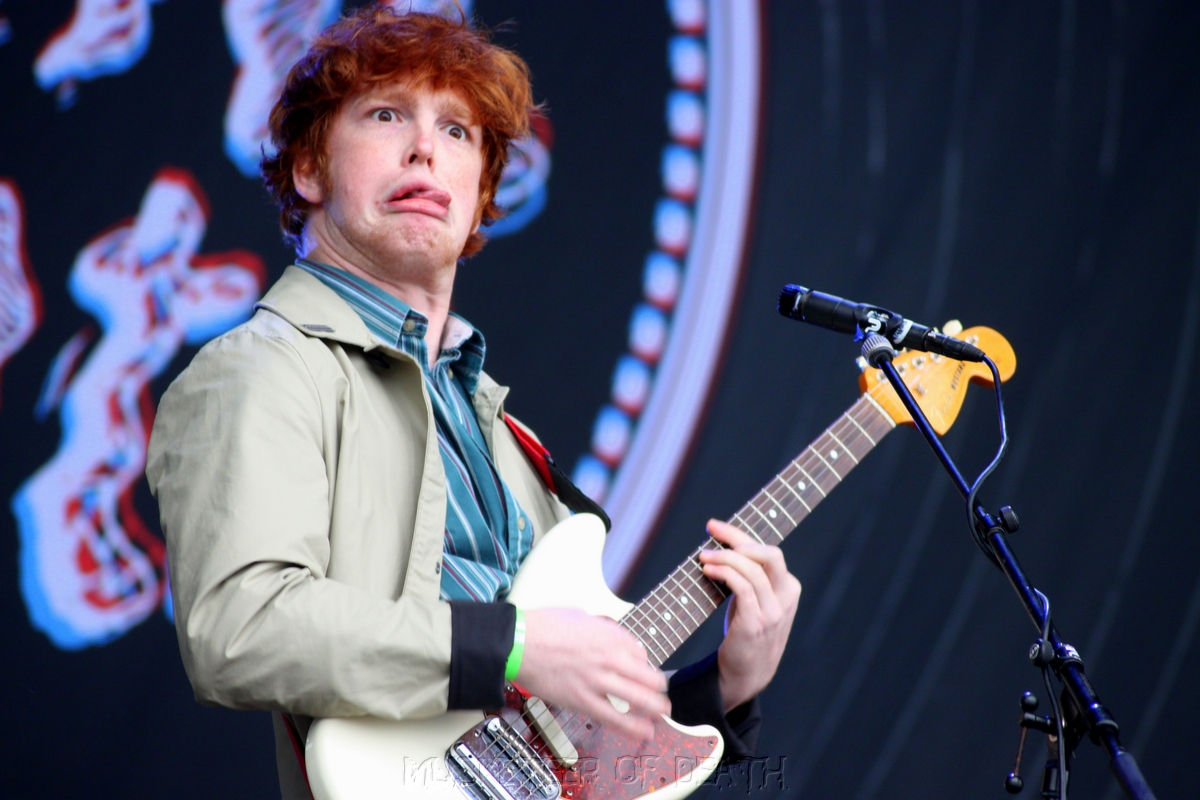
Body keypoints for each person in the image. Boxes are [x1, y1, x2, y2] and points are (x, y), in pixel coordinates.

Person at [146, 7, 801, 799]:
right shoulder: (261, 368)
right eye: (386, 115)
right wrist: (513, 646)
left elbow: (551, 741)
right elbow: (239, 629)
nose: (426, 147)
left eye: (457, 131)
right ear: (310, 170)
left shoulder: (496, 427)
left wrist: (724, 687)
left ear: (480, 192)